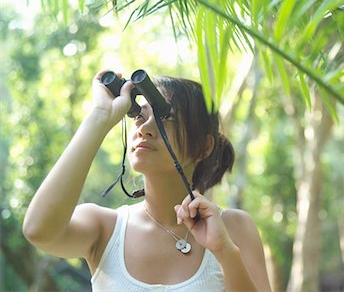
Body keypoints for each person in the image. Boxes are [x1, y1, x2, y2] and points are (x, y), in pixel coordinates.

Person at [23, 70, 272, 292]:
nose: (145, 128)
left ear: (203, 147)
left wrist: (225, 252)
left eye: (167, 117)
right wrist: (100, 116)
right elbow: (38, 231)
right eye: (139, 116)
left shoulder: (235, 228)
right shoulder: (105, 228)